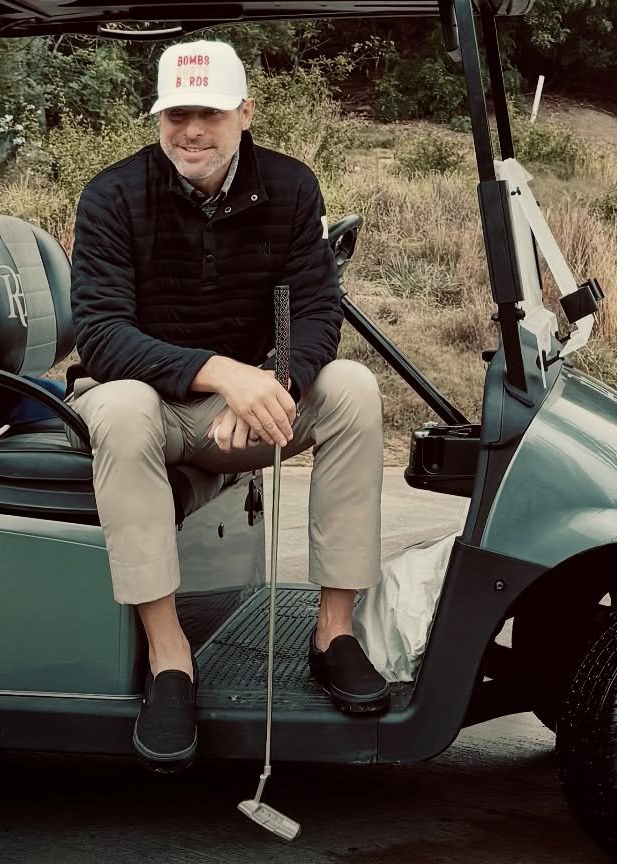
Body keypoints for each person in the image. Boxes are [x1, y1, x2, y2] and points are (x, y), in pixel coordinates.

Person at [70, 38, 387, 772]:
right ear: (158, 118)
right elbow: (103, 335)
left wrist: (272, 381)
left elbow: (317, 314)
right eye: (175, 114)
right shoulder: (112, 195)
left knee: (353, 389)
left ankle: (333, 631)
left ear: (245, 112)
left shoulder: (292, 187)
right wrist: (225, 376)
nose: (191, 131)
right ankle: (169, 655)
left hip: (252, 408)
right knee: (117, 406)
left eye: (208, 113)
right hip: (158, 408)